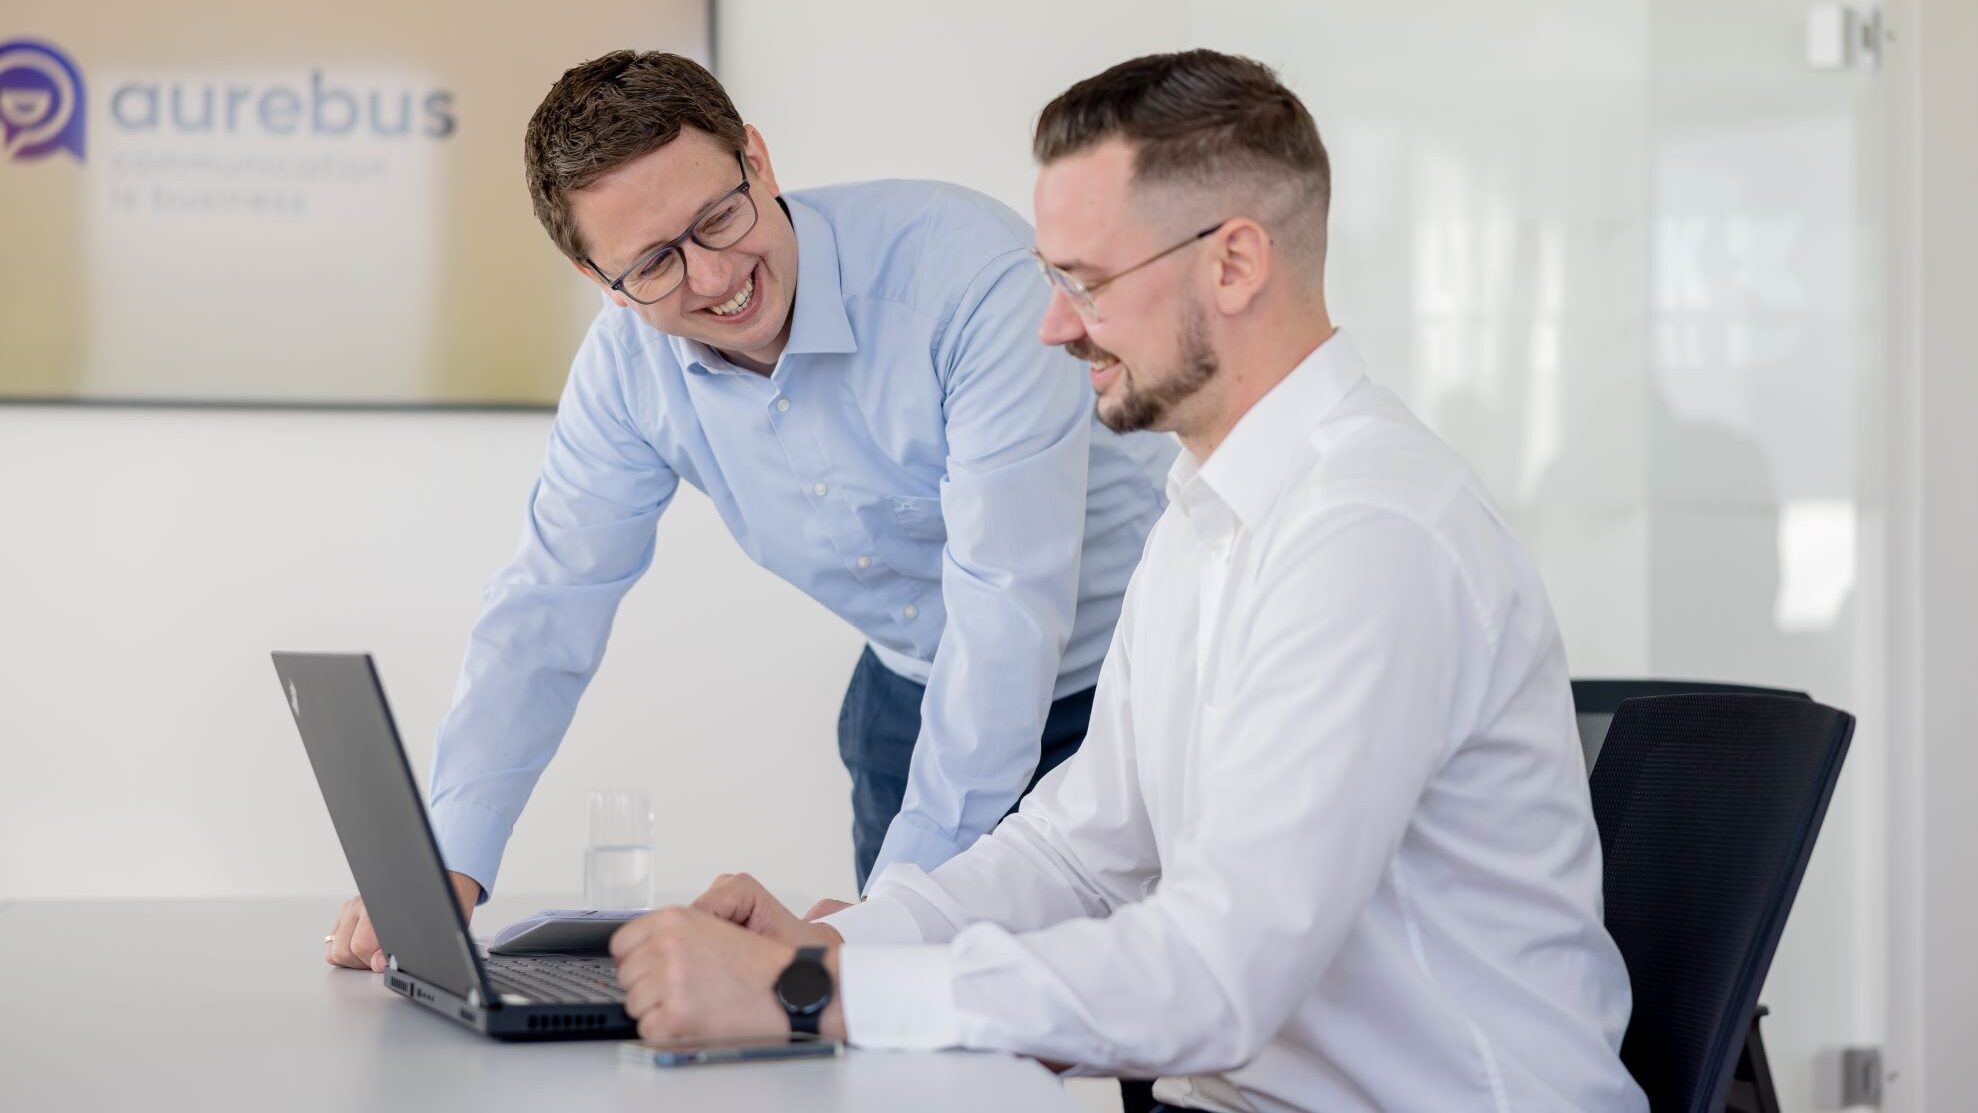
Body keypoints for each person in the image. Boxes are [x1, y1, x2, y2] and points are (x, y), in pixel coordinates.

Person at [604, 50, 1650, 1113]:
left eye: (1085, 284)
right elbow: (1080, 854)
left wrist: (806, 992)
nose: (1053, 327)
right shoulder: (1207, 516)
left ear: (1233, 265)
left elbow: (1213, 977)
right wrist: (835, 937)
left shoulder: (1368, 539)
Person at [323, 51, 1173, 971]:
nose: (713, 275)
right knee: (913, 1058)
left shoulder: (969, 277)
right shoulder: (626, 370)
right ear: (596, 277)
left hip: (1118, 692)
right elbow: (547, 603)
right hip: (907, 701)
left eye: (718, 217)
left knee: (1130, 1025)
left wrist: (881, 918)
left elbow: (1006, 611)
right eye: (652, 262)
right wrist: (446, 862)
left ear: (758, 161)